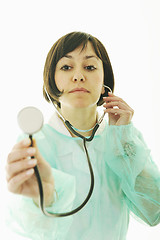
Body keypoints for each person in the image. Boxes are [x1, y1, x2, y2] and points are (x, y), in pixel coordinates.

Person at [6, 31, 160, 240]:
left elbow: (153, 212)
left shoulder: (126, 138)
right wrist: (46, 197)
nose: (78, 75)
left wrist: (123, 140)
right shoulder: (35, 143)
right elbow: (33, 230)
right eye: (66, 67)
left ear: (105, 79)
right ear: (51, 79)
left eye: (90, 67)